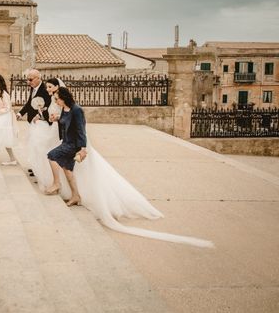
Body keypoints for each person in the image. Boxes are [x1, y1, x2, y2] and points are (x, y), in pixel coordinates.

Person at [47, 87, 214, 248]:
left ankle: (57, 184)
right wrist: (56, 119)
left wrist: (83, 148)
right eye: (55, 99)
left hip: (74, 145)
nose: (56, 101)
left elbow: (81, 130)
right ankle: (76, 196)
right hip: (66, 142)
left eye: (57, 98)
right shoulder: (65, 109)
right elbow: (64, 124)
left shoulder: (77, 110)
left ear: (64, 97)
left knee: (52, 155)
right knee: (67, 170)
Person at [29, 78, 71, 197]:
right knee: (47, 150)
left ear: (57, 87)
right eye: (47, 87)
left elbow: (65, 114)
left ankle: (57, 181)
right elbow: (52, 113)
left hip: (58, 131)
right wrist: (45, 114)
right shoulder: (53, 98)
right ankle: (50, 178)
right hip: (53, 128)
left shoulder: (60, 99)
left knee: (51, 152)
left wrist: (56, 118)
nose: (47, 89)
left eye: (50, 87)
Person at [16, 69, 51, 175]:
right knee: (33, 145)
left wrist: (39, 116)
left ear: (38, 78)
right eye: (27, 79)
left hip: (42, 123)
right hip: (33, 122)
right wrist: (20, 114)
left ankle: (40, 169)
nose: (28, 82)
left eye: (30, 79)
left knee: (39, 145)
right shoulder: (34, 88)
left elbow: (49, 107)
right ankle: (36, 166)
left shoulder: (45, 90)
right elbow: (29, 103)